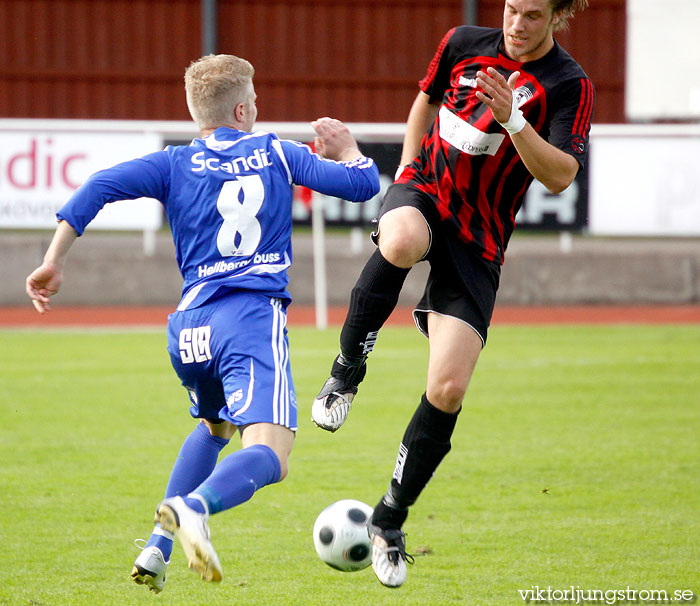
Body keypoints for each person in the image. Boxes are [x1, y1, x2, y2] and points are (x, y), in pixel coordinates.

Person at [25, 54, 379, 593]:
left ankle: (156, 547)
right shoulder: (277, 153)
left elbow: (96, 186)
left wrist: (54, 258)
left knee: (216, 426)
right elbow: (362, 185)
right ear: (242, 109)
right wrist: (348, 149)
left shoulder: (173, 163)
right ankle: (195, 507)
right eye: (255, 102)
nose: (258, 109)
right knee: (272, 454)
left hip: (189, 328)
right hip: (249, 317)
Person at [311, 0, 594, 588]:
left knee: (448, 387)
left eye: (533, 16)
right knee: (403, 238)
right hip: (425, 191)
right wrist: (408, 167)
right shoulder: (462, 42)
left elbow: (561, 174)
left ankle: (390, 520)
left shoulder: (568, 84)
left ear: (558, 17)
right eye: (513, 9)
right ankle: (346, 369)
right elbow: (426, 100)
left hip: (480, 240)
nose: (517, 24)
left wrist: (515, 121)